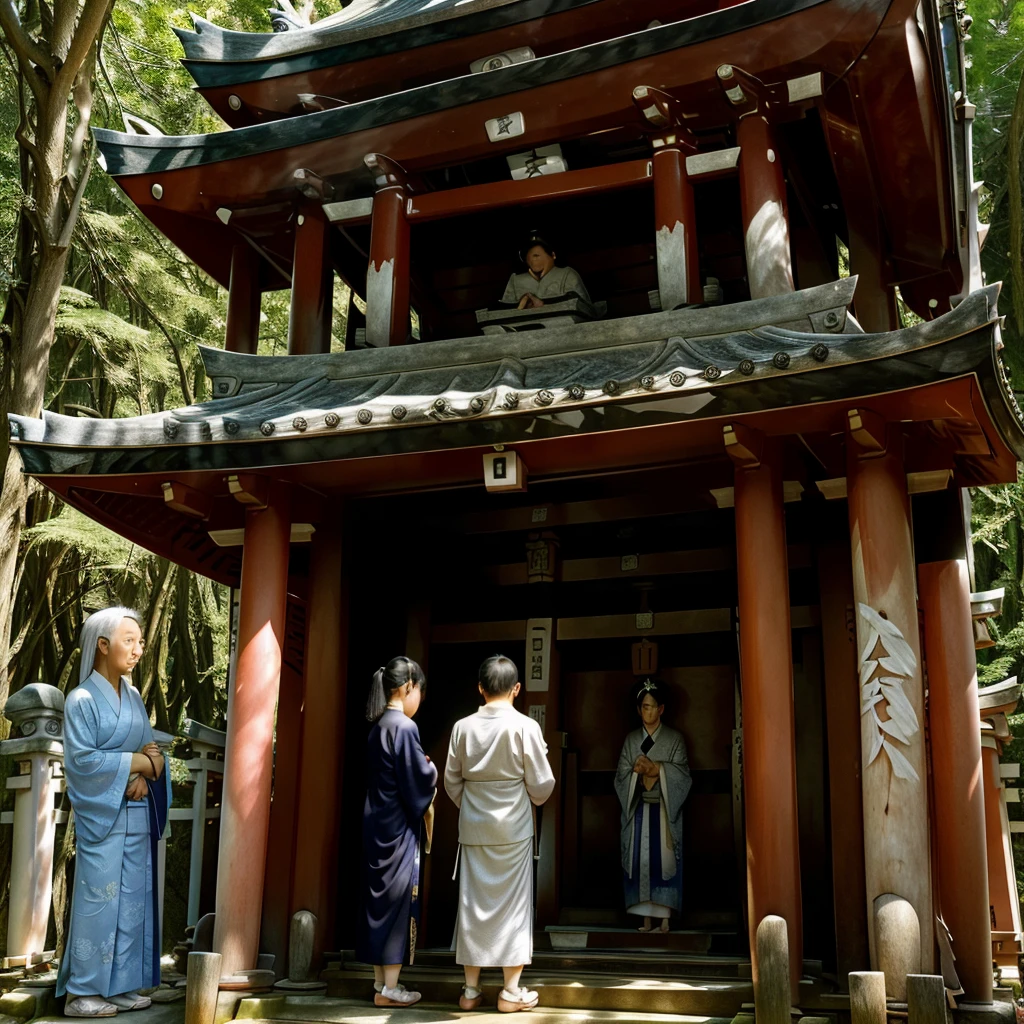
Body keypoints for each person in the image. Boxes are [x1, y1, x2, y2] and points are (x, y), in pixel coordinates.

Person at [58, 607, 171, 1018]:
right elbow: (83, 763)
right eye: (130, 640)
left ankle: (120, 985)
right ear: (103, 645)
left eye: (141, 641)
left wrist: (145, 771)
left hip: (135, 812)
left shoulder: (135, 696)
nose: (138, 649)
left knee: (131, 903)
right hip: (102, 820)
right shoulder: (81, 699)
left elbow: (152, 751)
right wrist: (138, 764)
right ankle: (83, 992)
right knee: (99, 902)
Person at [444, 655, 555, 1014]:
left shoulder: (462, 727)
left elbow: (451, 781)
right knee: (513, 908)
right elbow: (541, 787)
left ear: (480, 688)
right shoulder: (525, 727)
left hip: (475, 827)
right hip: (514, 829)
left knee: (473, 905)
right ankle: (510, 990)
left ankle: (471, 989)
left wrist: (474, 806)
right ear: (517, 689)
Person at [357, 657, 437, 1009]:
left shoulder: (377, 727)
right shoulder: (403, 727)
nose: (419, 696)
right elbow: (417, 780)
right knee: (396, 900)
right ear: (407, 688)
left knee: (378, 900)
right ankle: (390, 987)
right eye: (418, 689)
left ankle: (380, 982)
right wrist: (430, 769)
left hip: (376, 823)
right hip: (397, 827)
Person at [614, 679, 692, 934]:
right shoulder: (630, 740)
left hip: (663, 810)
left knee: (664, 860)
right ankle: (645, 918)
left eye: (652, 707)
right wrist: (637, 773)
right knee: (641, 859)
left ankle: (665, 918)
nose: (648, 712)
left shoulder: (674, 739)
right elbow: (621, 776)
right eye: (643, 707)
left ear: (661, 709)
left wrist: (658, 770)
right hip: (639, 810)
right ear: (639, 710)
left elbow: (683, 775)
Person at [500, 233, 591, 310]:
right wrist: (521, 305)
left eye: (537, 255)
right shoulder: (516, 280)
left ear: (553, 255)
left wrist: (544, 304)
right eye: (529, 257)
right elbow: (505, 310)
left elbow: (584, 307)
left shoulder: (567, 274)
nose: (533, 260)